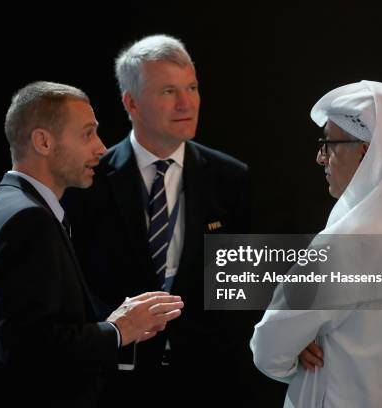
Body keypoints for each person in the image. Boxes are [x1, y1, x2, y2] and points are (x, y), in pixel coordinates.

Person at [62, 34, 272, 404]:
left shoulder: (230, 177)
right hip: (116, 383)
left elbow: (244, 287)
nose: (186, 103)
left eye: (191, 87)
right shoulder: (88, 181)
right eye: (168, 91)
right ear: (131, 102)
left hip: (210, 379)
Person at [0, 81, 184, 408]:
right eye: (87, 134)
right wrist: (119, 329)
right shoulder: (28, 220)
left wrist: (113, 323)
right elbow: (31, 352)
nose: (101, 148)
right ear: (43, 141)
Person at [251, 80, 382, 407]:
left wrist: (299, 347)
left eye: (328, 143)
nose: (320, 158)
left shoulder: (348, 242)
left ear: (365, 150)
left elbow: (269, 348)